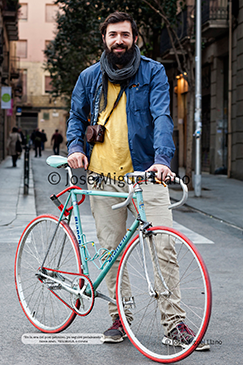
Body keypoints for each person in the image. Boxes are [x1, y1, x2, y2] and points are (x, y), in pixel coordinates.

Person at [66, 12, 209, 350]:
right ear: (104, 39)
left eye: (125, 35)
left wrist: (162, 160)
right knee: (111, 252)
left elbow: (162, 115)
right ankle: (120, 317)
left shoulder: (153, 72)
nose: (119, 40)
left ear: (134, 39)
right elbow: (75, 116)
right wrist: (75, 148)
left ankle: (174, 324)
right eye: (113, 34)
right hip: (103, 177)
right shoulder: (89, 77)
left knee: (164, 247)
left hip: (146, 175)